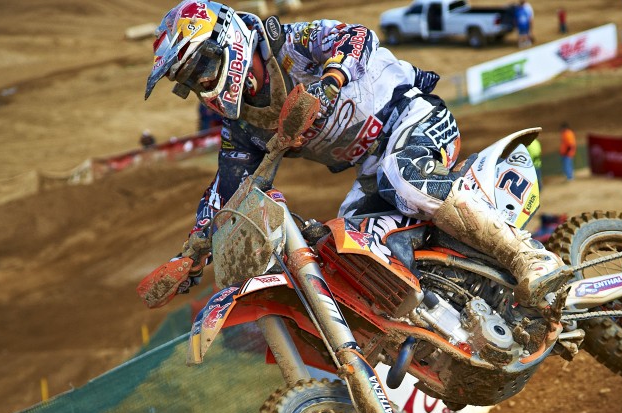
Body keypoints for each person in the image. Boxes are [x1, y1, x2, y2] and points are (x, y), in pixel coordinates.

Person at [142, 1, 567, 308]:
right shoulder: (242, 127)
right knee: (344, 253)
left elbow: (358, 36)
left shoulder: (290, 44)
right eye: (191, 81)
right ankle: (446, 328)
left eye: (201, 67)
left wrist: (329, 81)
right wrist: (191, 254)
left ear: (227, 40)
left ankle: (530, 257)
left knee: (403, 179)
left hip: (411, 117)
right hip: (371, 169)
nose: (202, 84)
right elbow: (226, 191)